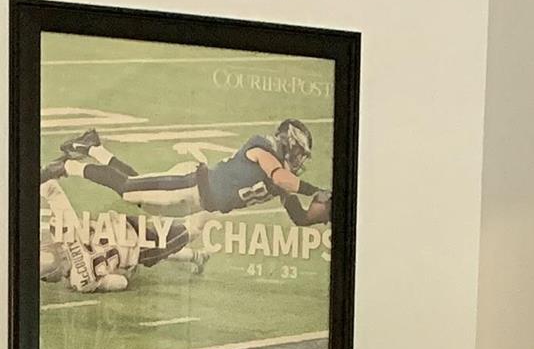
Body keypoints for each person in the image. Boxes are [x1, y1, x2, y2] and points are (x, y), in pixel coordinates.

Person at [48, 116, 333, 275]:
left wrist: (329, 209)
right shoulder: (264, 148)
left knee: (137, 192)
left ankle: (93, 147)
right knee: (128, 189)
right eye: (299, 151)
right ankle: (67, 167)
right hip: (192, 184)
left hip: (196, 202)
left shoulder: (283, 177)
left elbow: (300, 217)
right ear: (287, 142)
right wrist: (315, 190)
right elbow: (280, 177)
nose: (299, 159)